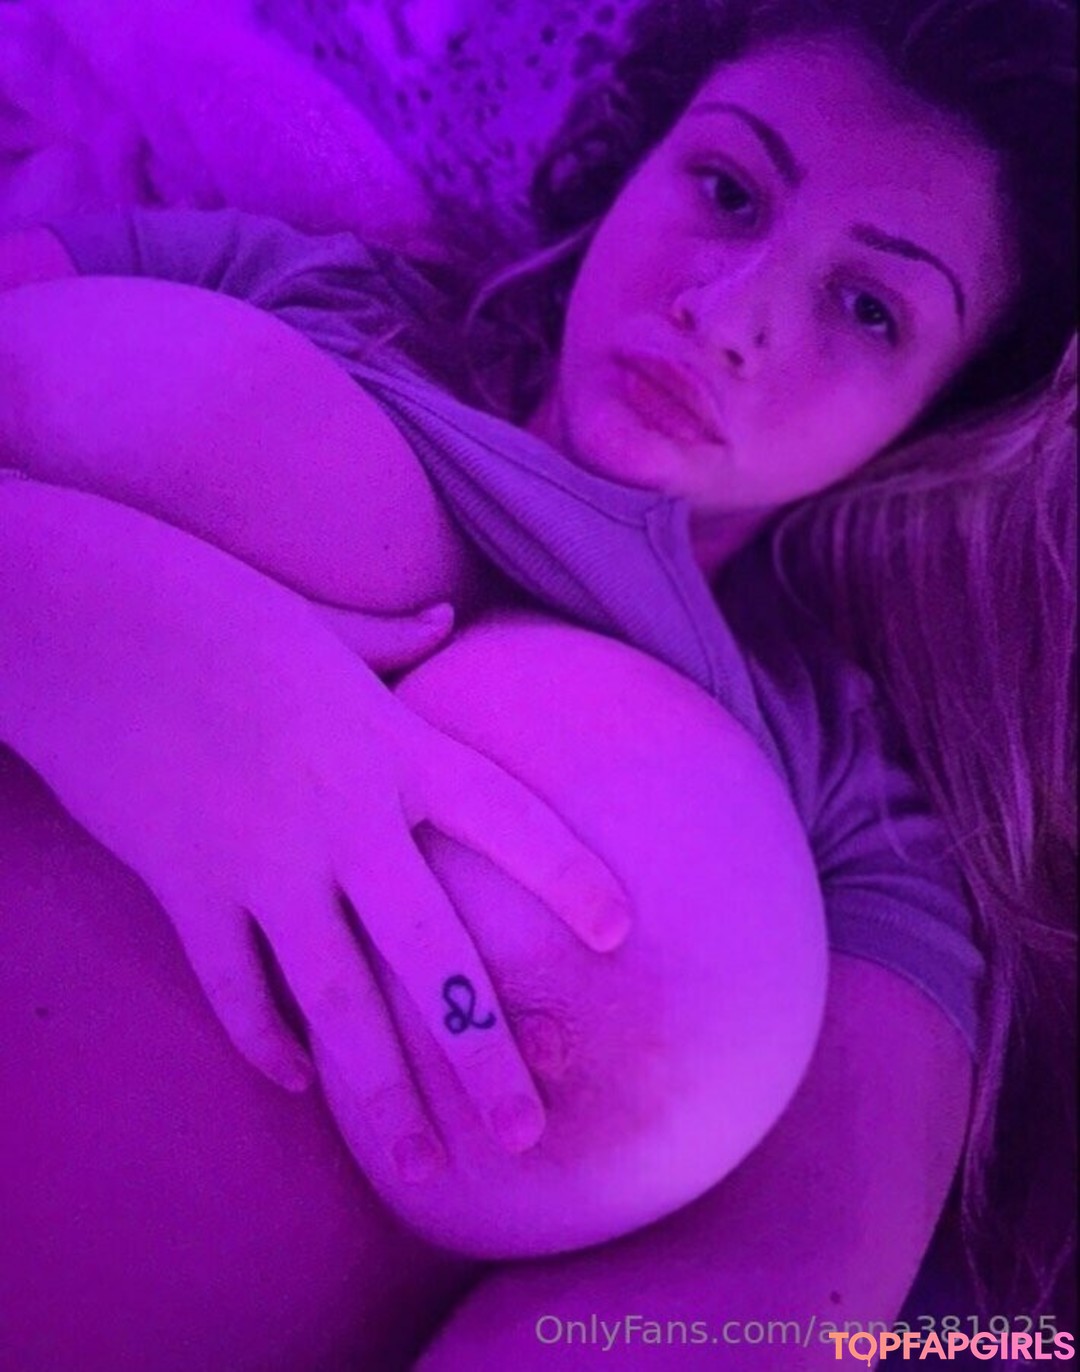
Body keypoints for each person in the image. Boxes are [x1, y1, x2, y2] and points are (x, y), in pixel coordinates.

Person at [0, 0, 1074, 1365]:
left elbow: (776, 1319)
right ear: (641, 158)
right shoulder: (301, 290)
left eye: (868, 310)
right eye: (728, 190)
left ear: (938, 414)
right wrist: (74, 612)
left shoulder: (856, 822)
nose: (726, 314)